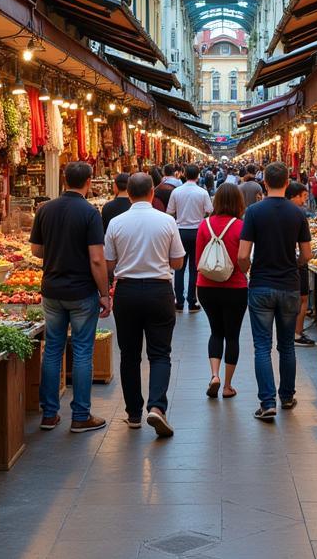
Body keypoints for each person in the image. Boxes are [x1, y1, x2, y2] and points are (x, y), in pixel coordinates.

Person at [30, 161, 110, 434]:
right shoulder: (89, 213)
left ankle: (49, 415)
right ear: (88, 181)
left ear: (64, 180)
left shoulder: (45, 210)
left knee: (52, 350)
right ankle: (80, 416)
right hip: (81, 292)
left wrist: (57, 250)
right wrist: (105, 294)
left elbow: (36, 251)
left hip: (52, 291)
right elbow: (97, 260)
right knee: (82, 351)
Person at [104, 172, 185, 437]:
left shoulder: (116, 223)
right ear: (152, 192)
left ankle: (134, 413)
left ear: (127, 193)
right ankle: (157, 407)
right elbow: (178, 263)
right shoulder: (167, 222)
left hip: (126, 292)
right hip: (159, 291)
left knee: (129, 355)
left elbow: (109, 263)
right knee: (160, 353)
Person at [237, 161, 311, 420]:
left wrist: (248, 270)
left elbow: (243, 253)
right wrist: (293, 264)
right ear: (288, 181)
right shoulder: (298, 214)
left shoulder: (254, 212)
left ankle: (267, 402)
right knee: (287, 345)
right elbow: (307, 254)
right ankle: (287, 396)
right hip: (289, 286)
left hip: (261, 285)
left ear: (264, 183)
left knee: (261, 346)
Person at [195, 182, 247, 399]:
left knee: (216, 332)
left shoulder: (203, 225)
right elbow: (244, 261)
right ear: (238, 202)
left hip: (206, 287)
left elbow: (198, 259)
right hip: (235, 287)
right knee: (232, 336)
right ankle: (227, 386)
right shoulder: (241, 226)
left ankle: (214, 375)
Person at [167, 164, 213, 312]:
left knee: (179, 268)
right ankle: (192, 301)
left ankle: (179, 302)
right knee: (194, 268)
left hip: (180, 232)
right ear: (198, 175)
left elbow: (170, 212)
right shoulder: (202, 192)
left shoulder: (176, 192)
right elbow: (209, 211)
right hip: (197, 232)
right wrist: (200, 218)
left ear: (184, 175)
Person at [285, 181, 317, 347]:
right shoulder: (298, 214)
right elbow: (307, 253)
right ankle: (296, 333)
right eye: (303, 197)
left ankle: (290, 333)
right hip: (295, 265)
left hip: (274, 271)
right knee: (303, 299)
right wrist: (299, 263)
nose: (305, 201)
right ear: (294, 196)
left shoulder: (260, 211)